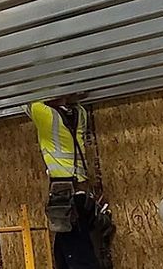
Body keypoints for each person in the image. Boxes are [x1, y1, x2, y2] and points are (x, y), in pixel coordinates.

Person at [23, 94, 115, 269]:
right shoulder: (80, 114)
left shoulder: (47, 115)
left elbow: (26, 98)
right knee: (65, 253)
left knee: (77, 257)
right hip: (79, 196)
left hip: (67, 197)